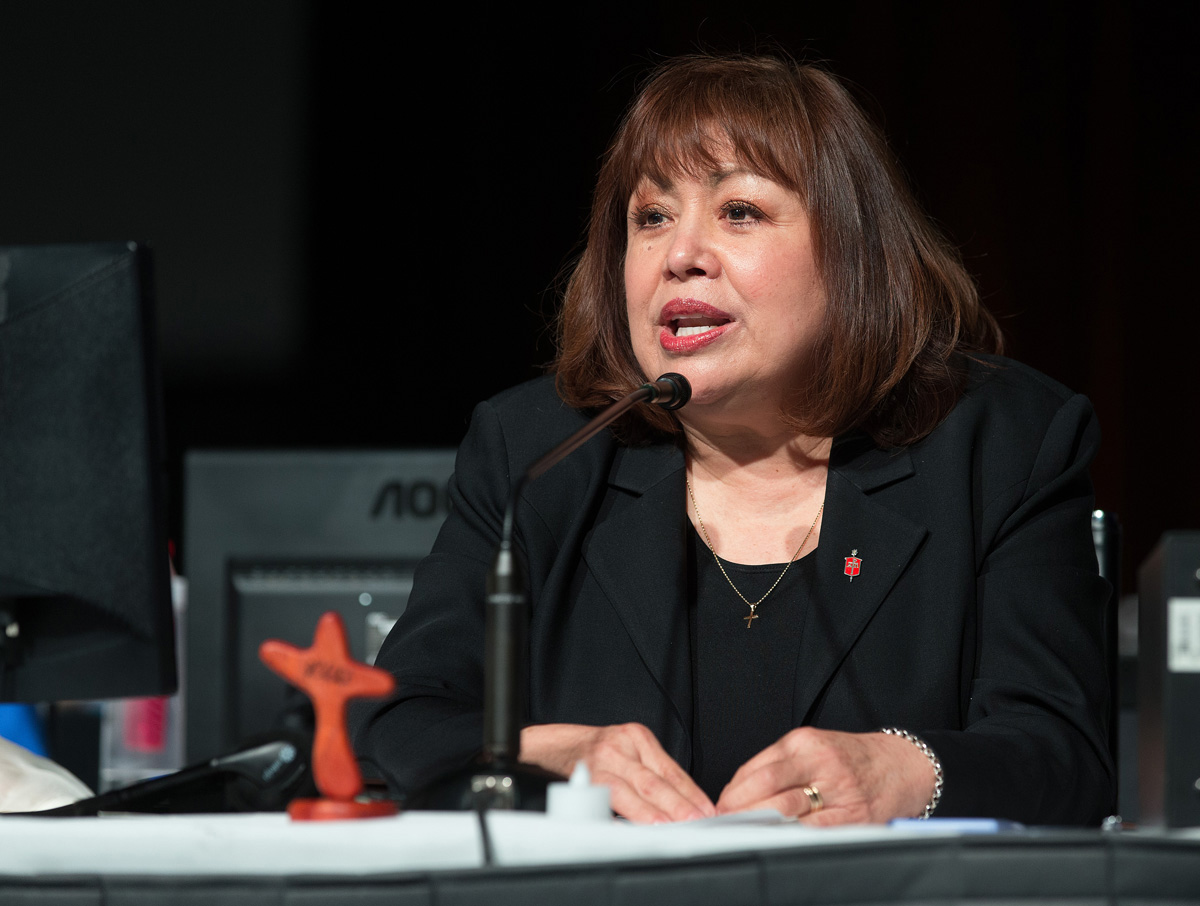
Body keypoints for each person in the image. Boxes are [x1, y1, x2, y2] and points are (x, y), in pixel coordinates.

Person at [351, 55, 1114, 826]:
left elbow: (1064, 751)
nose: (681, 253)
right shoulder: (540, 456)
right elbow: (393, 721)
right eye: (650, 217)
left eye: (739, 211)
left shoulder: (998, 446)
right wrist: (552, 758)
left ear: (851, 253)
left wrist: (906, 771)